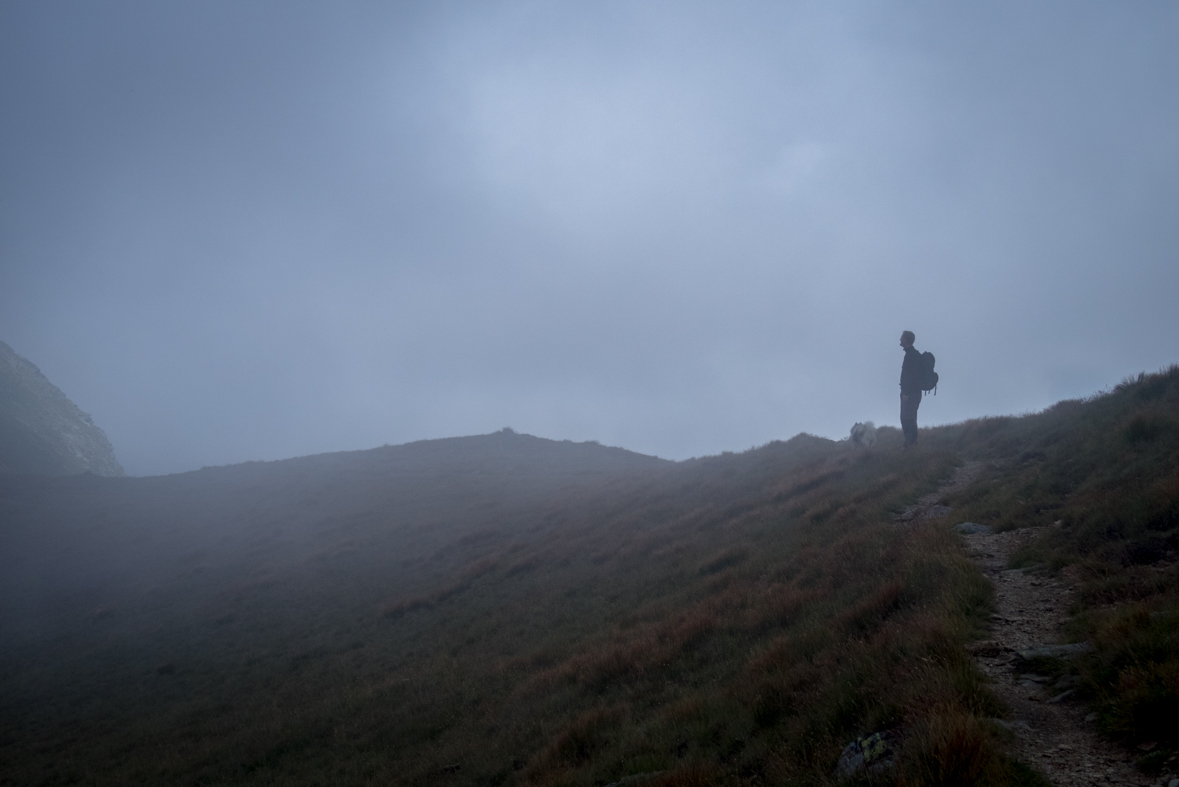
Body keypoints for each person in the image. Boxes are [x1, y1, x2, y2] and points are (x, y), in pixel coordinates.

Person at [899, 330, 922, 447]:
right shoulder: (912, 354)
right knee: (910, 417)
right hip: (913, 393)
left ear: (906, 340)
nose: (900, 339)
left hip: (910, 393)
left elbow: (911, 376)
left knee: (907, 418)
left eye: (902, 337)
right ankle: (911, 443)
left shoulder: (911, 355)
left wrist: (906, 393)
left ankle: (911, 443)